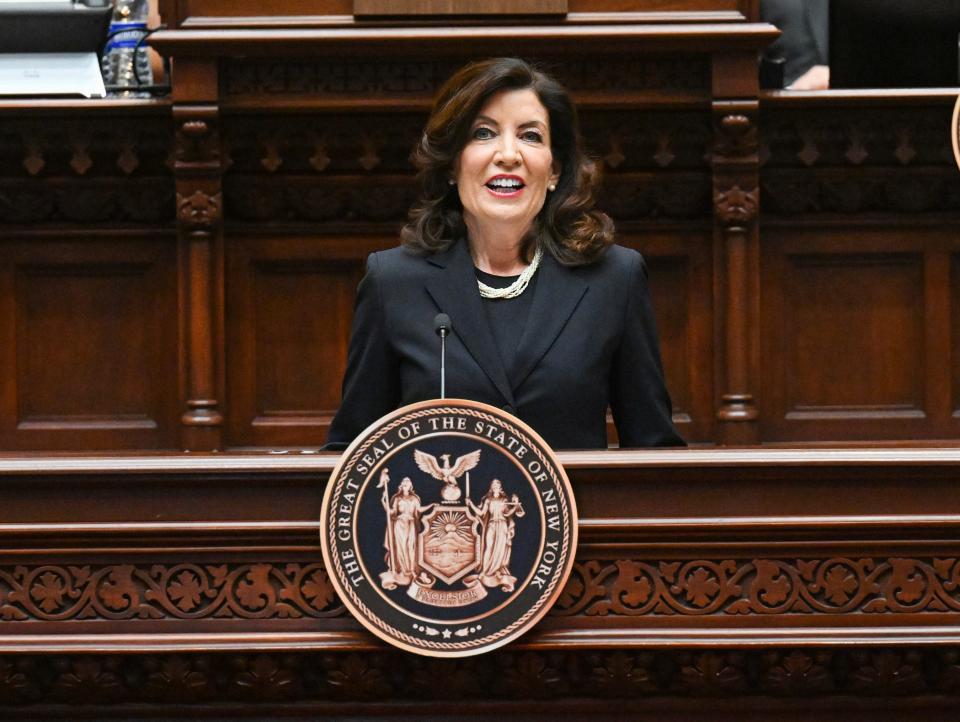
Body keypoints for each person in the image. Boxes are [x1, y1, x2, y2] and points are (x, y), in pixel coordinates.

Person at [326, 57, 684, 450]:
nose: (508, 154)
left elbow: (654, 452)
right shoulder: (392, 281)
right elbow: (351, 458)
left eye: (530, 136)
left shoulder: (614, 278)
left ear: (554, 171)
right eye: (483, 134)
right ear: (451, 165)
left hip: (575, 512)